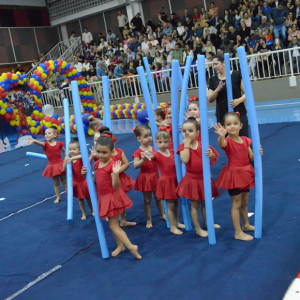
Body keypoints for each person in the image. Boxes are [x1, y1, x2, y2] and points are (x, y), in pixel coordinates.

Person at [83, 135, 141, 259]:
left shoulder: (112, 165)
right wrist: (85, 175)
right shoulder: (96, 164)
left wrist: (115, 174)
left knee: (113, 225)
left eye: (105, 152)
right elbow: (95, 181)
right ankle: (120, 245)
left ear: (111, 151)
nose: (101, 155)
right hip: (103, 196)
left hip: (112, 196)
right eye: (98, 152)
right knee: (113, 224)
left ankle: (131, 246)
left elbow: (116, 186)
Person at [214, 112, 263, 241]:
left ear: (241, 125)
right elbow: (221, 144)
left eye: (235, 124)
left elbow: (250, 156)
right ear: (225, 127)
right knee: (236, 203)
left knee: (245, 202)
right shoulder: (227, 141)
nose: (232, 127)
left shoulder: (246, 140)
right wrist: (221, 136)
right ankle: (238, 232)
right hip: (234, 174)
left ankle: (246, 224)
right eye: (228, 124)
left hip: (246, 172)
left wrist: (258, 153)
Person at [176, 117, 220, 237]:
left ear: (197, 133)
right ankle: (198, 228)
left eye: (190, 131)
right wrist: (185, 145)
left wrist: (211, 155)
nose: (187, 133)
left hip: (204, 178)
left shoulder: (203, 145)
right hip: (192, 180)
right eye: (184, 131)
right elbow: (185, 160)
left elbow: (214, 158)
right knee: (194, 204)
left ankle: (207, 223)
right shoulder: (182, 147)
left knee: (205, 203)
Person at [143, 129, 185, 235]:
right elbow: (149, 158)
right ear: (156, 142)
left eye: (166, 142)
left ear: (169, 141)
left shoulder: (172, 152)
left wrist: (181, 159)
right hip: (166, 182)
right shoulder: (156, 155)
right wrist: (145, 156)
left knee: (176, 203)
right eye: (160, 142)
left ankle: (177, 222)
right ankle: (172, 227)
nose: (163, 144)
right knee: (170, 205)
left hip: (174, 180)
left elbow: (180, 159)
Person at [207, 54, 249, 137]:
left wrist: (239, 100)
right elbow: (210, 99)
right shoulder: (213, 79)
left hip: (239, 112)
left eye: (216, 64)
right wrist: (217, 90)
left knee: (244, 140)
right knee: (227, 143)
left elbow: (247, 93)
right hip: (222, 115)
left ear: (223, 62)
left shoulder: (235, 75)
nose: (214, 67)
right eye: (213, 64)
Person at [132, 125, 165, 228]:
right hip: (146, 178)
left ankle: (162, 214)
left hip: (156, 176)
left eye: (150, 135)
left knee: (158, 197)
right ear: (139, 139)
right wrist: (143, 160)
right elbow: (135, 166)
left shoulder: (155, 148)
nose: (149, 138)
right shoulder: (138, 152)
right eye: (146, 136)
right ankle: (149, 220)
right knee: (147, 200)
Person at [27, 126, 67, 204]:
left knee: (64, 181)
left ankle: (68, 194)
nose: (47, 135)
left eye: (49, 133)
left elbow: (64, 151)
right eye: (45, 134)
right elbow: (40, 143)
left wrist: (67, 158)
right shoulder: (45, 144)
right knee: (56, 183)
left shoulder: (59, 143)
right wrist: (34, 141)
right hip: (52, 166)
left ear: (54, 135)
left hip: (60, 164)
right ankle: (58, 197)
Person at [63, 138, 93, 220]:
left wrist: (71, 159)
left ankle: (92, 210)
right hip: (76, 182)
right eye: (69, 149)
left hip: (84, 181)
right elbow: (63, 168)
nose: (71, 151)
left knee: (88, 197)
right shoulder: (68, 159)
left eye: (74, 149)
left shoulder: (80, 158)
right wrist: (65, 161)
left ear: (79, 150)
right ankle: (83, 213)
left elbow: (83, 155)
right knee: (80, 199)